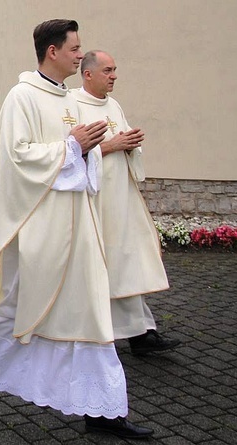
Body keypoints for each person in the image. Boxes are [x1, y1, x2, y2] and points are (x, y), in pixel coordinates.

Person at [0, 20, 153, 439]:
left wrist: (91, 150)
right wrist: (72, 147)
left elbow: (87, 158)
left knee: (90, 312)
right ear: (52, 52)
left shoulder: (71, 101)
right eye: (75, 48)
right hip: (39, 227)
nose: (81, 55)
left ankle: (101, 412)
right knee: (18, 310)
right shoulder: (21, 96)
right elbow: (16, 158)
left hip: (78, 224)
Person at [73, 50, 180, 356]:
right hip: (94, 201)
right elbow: (68, 152)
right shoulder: (72, 106)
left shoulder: (114, 105)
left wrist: (130, 145)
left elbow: (121, 144)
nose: (114, 75)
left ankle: (141, 332)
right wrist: (111, 146)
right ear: (88, 74)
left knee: (125, 265)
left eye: (115, 69)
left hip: (120, 198)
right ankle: (117, 333)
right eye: (108, 70)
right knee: (105, 268)